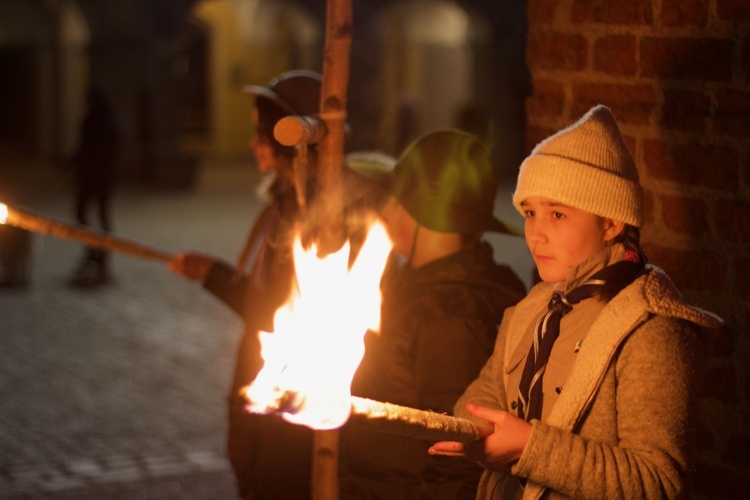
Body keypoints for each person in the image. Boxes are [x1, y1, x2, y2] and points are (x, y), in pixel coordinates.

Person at [428, 105, 723, 499]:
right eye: (530, 212)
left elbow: (657, 483)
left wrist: (527, 445)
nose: (536, 234)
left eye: (558, 215)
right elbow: (481, 397)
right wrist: (470, 431)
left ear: (612, 222)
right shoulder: (533, 308)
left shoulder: (652, 328)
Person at [169, 70, 390, 499]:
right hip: (263, 387)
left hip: (290, 404)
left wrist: (215, 276)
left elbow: (284, 315)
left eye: (261, 132)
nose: (254, 142)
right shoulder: (285, 204)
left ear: (291, 137)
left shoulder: (319, 218)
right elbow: (271, 308)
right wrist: (212, 273)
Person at [339, 129, 527, 499]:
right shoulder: (420, 287)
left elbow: (455, 457)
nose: (387, 210)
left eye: (397, 200)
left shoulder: (452, 314)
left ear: (425, 213)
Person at [69, 87, 119, 287]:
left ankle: (101, 255)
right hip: (94, 177)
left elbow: (99, 149)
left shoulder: (100, 123)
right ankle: (94, 252)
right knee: (88, 215)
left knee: (99, 215)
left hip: (96, 177)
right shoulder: (95, 121)